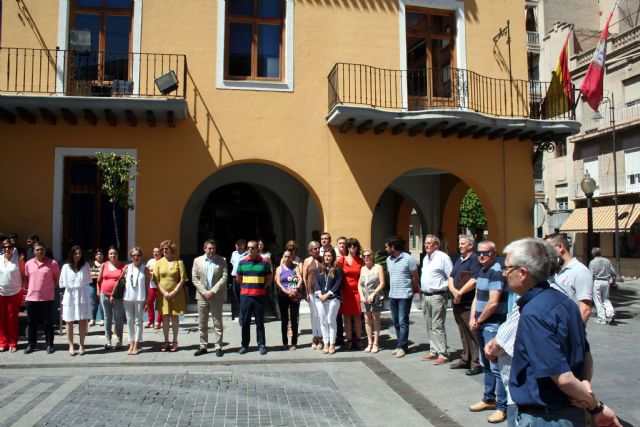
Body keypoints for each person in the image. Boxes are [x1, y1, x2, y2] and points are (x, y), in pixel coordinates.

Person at [504, 238, 621, 427]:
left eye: (507, 268)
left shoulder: (534, 312)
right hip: (567, 411)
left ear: (523, 273)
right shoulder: (565, 302)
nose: (504, 273)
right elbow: (586, 356)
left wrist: (595, 406)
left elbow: (564, 378)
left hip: (547, 417)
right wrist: (584, 384)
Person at [468, 240, 509, 424]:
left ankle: (502, 407)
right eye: (479, 253)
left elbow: (493, 302)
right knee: (486, 364)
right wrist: (472, 318)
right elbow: (477, 297)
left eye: (485, 253)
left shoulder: (496, 273)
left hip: (492, 324)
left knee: (496, 366)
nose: (481, 256)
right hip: (481, 323)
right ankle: (488, 399)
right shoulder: (482, 271)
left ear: (494, 254)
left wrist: (479, 320)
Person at [448, 234, 482, 374]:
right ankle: (465, 358)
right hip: (457, 302)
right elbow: (451, 277)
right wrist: (454, 290)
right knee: (462, 331)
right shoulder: (459, 260)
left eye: (462, 244)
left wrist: (460, 292)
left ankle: (476, 363)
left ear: (470, 245)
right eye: (459, 243)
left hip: (467, 302)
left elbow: (475, 279)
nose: (460, 246)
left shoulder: (474, 259)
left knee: (472, 332)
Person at [419, 234, 452, 365]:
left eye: (429, 243)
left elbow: (451, 276)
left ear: (436, 245)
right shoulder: (426, 258)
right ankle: (433, 351)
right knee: (429, 324)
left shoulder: (443, 258)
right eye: (425, 243)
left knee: (438, 325)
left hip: (438, 295)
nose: (426, 245)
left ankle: (443, 353)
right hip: (426, 295)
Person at [545, 233, 593, 323]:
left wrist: (574, 333)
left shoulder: (580, 271)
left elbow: (585, 309)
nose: (546, 253)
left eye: (548, 249)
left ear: (560, 247)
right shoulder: (553, 271)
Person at [192, 239, 228, 357]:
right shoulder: (197, 261)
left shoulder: (222, 260)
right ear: (204, 249)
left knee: (217, 322)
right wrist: (204, 292)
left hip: (216, 296)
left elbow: (224, 276)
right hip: (202, 297)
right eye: (209, 248)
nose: (212, 251)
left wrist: (213, 291)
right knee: (202, 323)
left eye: (213, 248)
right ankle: (203, 346)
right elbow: (195, 278)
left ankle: (218, 346)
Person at [385, 235, 419, 358]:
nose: (386, 249)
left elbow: (415, 276)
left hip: (405, 295)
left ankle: (402, 347)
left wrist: (412, 289)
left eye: (387, 247)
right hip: (393, 295)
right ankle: (400, 344)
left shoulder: (408, 259)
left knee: (403, 321)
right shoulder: (389, 260)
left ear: (393, 247)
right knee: (396, 322)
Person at [24, 241, 60, 354]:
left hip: (47, 298)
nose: (40, 251)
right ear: (34, 251)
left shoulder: (53, 263)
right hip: (32, 298)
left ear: (45, 250)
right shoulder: (28, 264)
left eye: (42, 249)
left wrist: (49, 288)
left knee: (48, 323)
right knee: (31, 322)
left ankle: (49, 345)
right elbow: (27, 278)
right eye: (37, 249)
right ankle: (31, 344)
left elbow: (56, 279)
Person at [237, 240, 272, 355]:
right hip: (246, 297)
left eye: (253, 248)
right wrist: (247, 287)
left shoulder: (264, 263)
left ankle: (261, 344)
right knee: (245, 322)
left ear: (258, 249)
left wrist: (261, 288)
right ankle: (245, 345)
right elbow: (239, 279)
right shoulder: (242, 263)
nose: (250, 250)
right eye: (248, 248)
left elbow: (269, 279)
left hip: (259, 297)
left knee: (260, 322)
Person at [152, 240, 187, 352]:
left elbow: (182, 279)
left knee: (175, 317)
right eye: (163, 249)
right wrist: (164, 293)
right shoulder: (158, 262)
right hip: (163, 295)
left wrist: (174, 292)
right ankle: (166, 341)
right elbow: (156, 279)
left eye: (166, 248)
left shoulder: (179, 262)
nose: (164, 250)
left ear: (172, 249)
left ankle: (175, 341)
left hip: (176, 295)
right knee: (165, 317)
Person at [60, 245, 92, 356]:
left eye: (79, 253)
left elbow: (88, 280)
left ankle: (82, 345)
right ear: (71, 254)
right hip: (70, 295)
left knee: (83, 320)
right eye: (75, 253)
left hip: (82, 294)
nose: (78, 255)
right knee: (69, 321)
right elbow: (63, 283)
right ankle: (71, 345)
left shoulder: (86, 266)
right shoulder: (65, 267)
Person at [337, 238, 364, 350]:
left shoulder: (360, 261)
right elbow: (336, 277)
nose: (352, 248)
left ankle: (358, 339)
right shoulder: (341, 260)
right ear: (347, 248)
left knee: (357, 317)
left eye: (354, 246)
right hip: (345, 292)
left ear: (357, 248)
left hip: (357, 292)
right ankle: (348, 340)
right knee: (347, 317)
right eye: (350, 246)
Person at [97, 246, 126, 350]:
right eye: (110, 254)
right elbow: (99, 280)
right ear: (108, 255)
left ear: (118, 255)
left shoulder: (123, 266)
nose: (113, 255)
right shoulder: (104, 265)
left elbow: (124, 282)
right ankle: (108, 341)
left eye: (115, 254)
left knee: (118, 318)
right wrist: (98, 292)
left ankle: (119, 340)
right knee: (107, 318)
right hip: (104, 294)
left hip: (118, 296)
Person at [314, 248, 343, 355]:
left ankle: (332, 344)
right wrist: (320, 294)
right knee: (323, 321)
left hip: (333, 298)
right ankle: (325, 343)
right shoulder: (320, 269)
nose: (327, 257)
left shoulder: (338, 269)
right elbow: (316, 283)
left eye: (329, 256)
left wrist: (327, 294)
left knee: (331, 320)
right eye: (325, 255)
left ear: (333, 257)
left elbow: (337, 284)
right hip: (320, 299)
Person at [123, 247, 150, 356]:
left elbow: (147, 286)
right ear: (131, 257)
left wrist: (147, 301)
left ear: (141, 256)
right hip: (127, 297)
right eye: (133, 255)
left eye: (138, 255)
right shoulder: (127, 268)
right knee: (129, 321)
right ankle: (131, 342)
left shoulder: (145, 269)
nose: (136, 257)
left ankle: (137, 344)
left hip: (140, 297)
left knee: (138, 321)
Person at [0, 238, 25, 353]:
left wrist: (22, 288)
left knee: (12, 319)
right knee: (1, 319)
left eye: (9, 247)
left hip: (14, 292)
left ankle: (13, 343)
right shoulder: (0, 259)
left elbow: (24, 274)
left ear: (13, 248)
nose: (6, 249)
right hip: (1, 293)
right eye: (4, 247)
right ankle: (3, 342)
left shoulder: (18, 259)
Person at [358, 248, 385, 353]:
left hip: (376, 296)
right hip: (365, 297)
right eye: (364, 256)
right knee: (367, 319)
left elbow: (382, 283)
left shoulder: (378, 267)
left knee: (375, 319)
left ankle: (376, 343)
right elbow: (360, 284)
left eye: (368, 255)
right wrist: (361, 295)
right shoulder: (362, 269)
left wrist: (373, 295)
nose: (366, 257)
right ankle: (369, 342)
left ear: (373, 257)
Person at [275, 250, 303, 350]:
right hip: (283, 295)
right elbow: (278, 281)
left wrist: (296, 289)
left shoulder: (295, 267)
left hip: (294, 295)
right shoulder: (279, 268)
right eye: (285, 256)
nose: (287, 258)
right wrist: (286, 291)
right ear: (283, 257)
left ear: (292, 257)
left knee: (294, 319)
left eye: (289, 256)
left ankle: (294, 343)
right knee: (284, 319)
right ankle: (285, 342)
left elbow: (300, 279)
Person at [302, 240, 323, 350]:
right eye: (315, 248)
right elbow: (304, 277)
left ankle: (320, 338)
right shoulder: (307, 261)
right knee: (313, 315)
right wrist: (305, 291)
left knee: (320, 315)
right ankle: (315, 337)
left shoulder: (322, 260)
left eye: (318, 248)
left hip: (320, 292)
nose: (317, 250)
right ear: (310, 251)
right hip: (311, 291)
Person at [588, 247, 616, 325]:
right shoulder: (607, 261)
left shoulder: (592, 262)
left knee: (598, 300)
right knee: (606, 299)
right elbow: (613, 272)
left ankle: (602, 318)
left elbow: (591, 274)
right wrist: (613, 280)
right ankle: (610, 314)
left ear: (593, 254)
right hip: (606, 282)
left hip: (597, 282)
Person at [230, 239, 247, 323]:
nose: (236, 246)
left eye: (237, 245)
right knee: (237, 296)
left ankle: (242, 317)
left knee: (244, 297)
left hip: (244, 278)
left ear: (243, 245)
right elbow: (232, 264)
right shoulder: (234, 253)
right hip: (234, 277)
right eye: (236, 245)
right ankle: (243, 312)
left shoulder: (247, 254)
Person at [145, 247, 163, 329]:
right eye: (154, 251)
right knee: (149, 302)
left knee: (160, 304)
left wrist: (152, 271)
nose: (155, 253)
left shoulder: (163, 261)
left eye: (157, 251)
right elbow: (146, 270)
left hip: (160, 286)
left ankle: (158, 321)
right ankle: (150, 320)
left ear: (161, 253)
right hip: (151, 285)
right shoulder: (150, 261)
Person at [88, 249, 105, 327]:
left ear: (103, 256)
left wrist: (95, 274)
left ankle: (102, 319)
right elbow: (89, 274)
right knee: (93, 303)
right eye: (97, 254)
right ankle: (92, 319)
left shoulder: (105, 264)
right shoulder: (90, 264)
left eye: (101, 254)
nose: (99, 255)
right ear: (95, 256)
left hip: (102, 284)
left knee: (102, 302)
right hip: (91, 284)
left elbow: (104, 275)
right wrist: (97, 273)